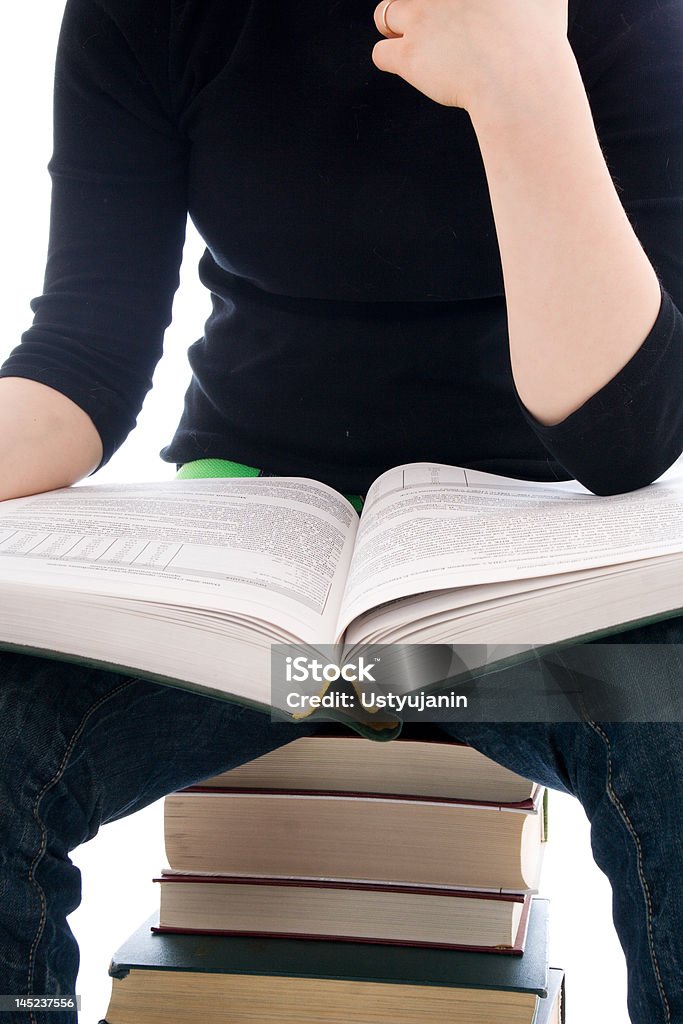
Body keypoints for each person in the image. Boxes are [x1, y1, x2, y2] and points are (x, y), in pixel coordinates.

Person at [0, 0, 681, 1021]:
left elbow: (626, 435)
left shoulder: (619, 16)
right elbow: (81, 364)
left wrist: (523, 77)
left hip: (520, 571)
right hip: (258, 584)